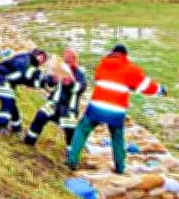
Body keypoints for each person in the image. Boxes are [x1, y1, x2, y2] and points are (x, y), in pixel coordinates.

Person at [67, 45, 166, 174]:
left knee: (82, 130)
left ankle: (72, 160)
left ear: (112, 53)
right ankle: (120, 167)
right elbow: (146, 86)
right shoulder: (130, 69)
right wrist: (160, 90)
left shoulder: (102, 64)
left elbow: (98, 78)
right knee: (117, 138)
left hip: (97, 106)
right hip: (116, 111)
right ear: (125, 55)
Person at [24, 48, 87, 154]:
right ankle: (29, 142)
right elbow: (48, 86)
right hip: (53, 104)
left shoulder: (79, 73)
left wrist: (70, 84)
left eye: (70, 58)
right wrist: (51, 80)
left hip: (69, 108)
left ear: (75, 59)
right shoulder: (59, 69)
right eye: (65, 57)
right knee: (40, 116)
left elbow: (81, 87)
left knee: (70, 130)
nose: (67, 60)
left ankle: (71, 155)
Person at [0, 48, 49, 134]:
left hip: (5, 79)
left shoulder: (30, 64)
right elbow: (21, 71)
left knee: (11, 102)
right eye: (41, 58)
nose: (42, 61)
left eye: (44, 60)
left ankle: (16, 127)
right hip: (0, 77)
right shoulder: (25, 58)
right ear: (35, 54)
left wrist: (44, 82)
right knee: (8, 101)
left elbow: (27, 79)